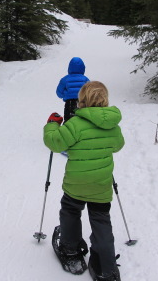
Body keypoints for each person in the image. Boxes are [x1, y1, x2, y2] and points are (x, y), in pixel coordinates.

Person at [44, 81, 125, 281]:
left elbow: (55, 143)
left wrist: (52, 125)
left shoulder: (75, 124)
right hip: (101, 185)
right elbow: (118, 145)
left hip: (76, 184)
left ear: (81, 100)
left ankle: (71, 251)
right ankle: (106, 265)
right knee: (101, 219)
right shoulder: (112, 126)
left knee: (71, 211)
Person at [56, 57, 89, 123]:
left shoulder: (65, 79)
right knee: (82, 119)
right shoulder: (85, 79)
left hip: (69, 103)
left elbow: (59, 93)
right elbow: (90, 92)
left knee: (68, 120)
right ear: (83, 68)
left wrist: (66, 94)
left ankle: (67, 132)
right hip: (82, 103)